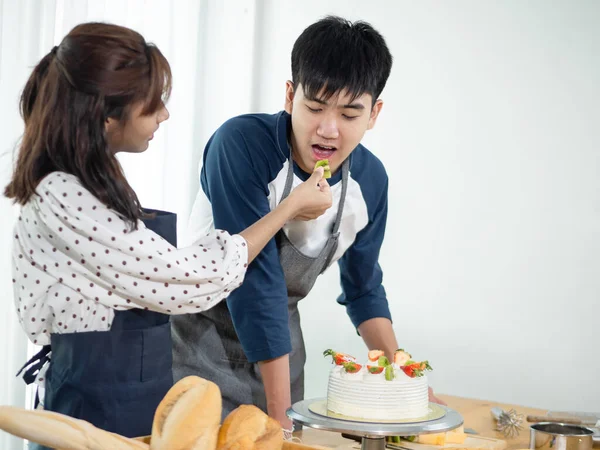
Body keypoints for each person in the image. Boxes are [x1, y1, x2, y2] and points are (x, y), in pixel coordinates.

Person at [5, 22, 332, 441]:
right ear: (106, 115)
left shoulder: (90, 185)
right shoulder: (65, 195)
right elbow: (186, 279)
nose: (164, 113)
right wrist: (287, 209)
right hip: (94, 406)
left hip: (132, 397)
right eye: (153, 103)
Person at [172, 15, 444, 434]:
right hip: (198, 348)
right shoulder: (241, 145)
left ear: (374, 113)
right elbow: (253, 280)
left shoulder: (370, 181)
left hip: (283, 361)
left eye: (350, 114)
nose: (328, 129)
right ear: (289, 95)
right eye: (314, 107)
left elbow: (364, 288)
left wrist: (405, 378)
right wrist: (282, 419)